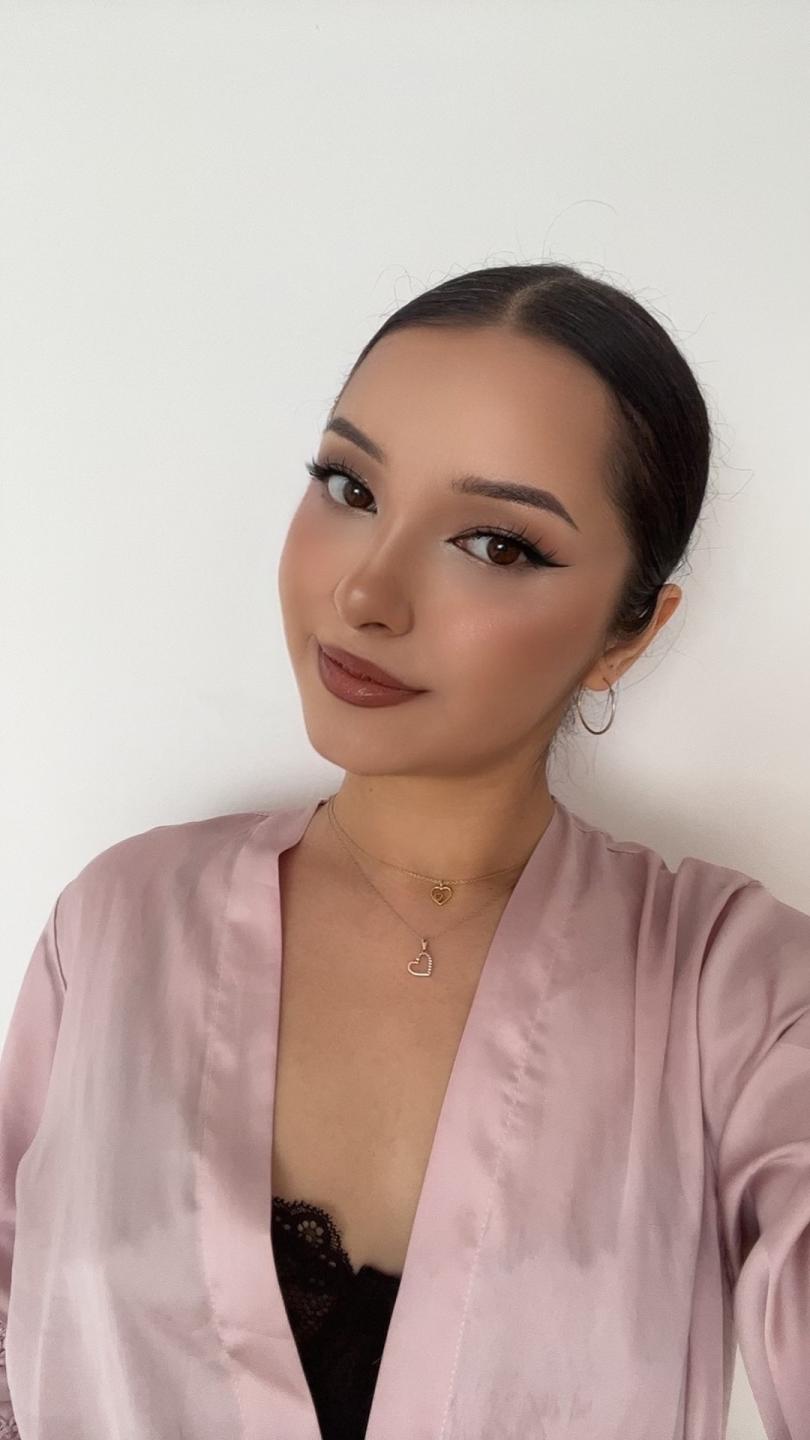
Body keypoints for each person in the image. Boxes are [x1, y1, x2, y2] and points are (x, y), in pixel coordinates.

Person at [1, 263, 808, 1440]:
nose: (368, 593)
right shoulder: (120, 926)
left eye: (496, 544)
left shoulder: (734, 991)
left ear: (627, 635)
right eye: (349, 485)